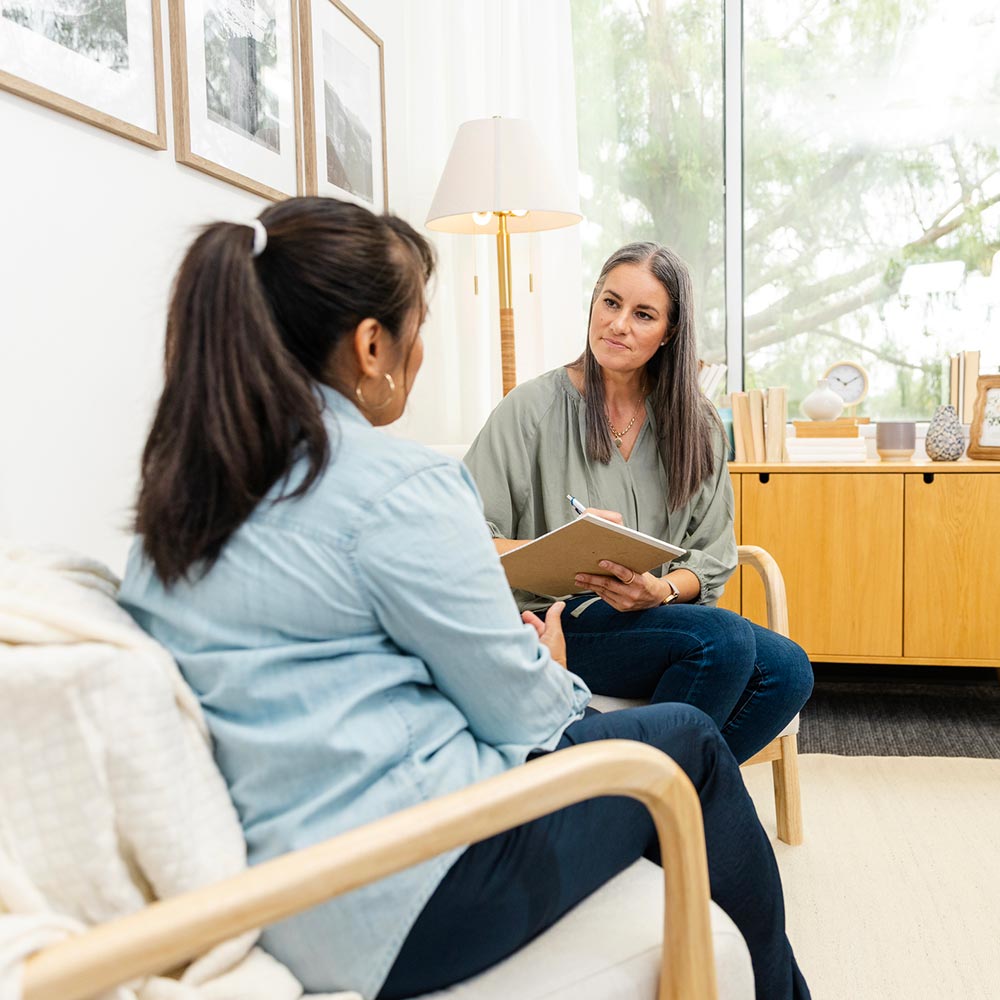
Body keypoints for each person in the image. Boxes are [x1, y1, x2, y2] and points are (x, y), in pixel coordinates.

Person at [119, 198, 809, 1000]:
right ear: (373, 345)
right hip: (410, 885)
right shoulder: (401, 485)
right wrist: (551, 668)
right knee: (687, 740)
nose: (421, 352)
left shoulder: (175, 502)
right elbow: (528, 715)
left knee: (760, 666)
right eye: (418, 327)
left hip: (275, 891)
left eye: (643, 312)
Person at [463, 242, 813, 764]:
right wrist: (556, 549)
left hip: (660, 619)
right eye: (610, 302)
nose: (618, 324)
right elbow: (462, 538)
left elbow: (713, 554)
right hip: (556, 621)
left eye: (643, 314)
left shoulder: (698, 427)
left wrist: (661, 590)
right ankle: (660, 805)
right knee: (724, 643)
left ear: (669, 331)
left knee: (789, 670)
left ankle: (642, 802)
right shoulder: (531, 409)